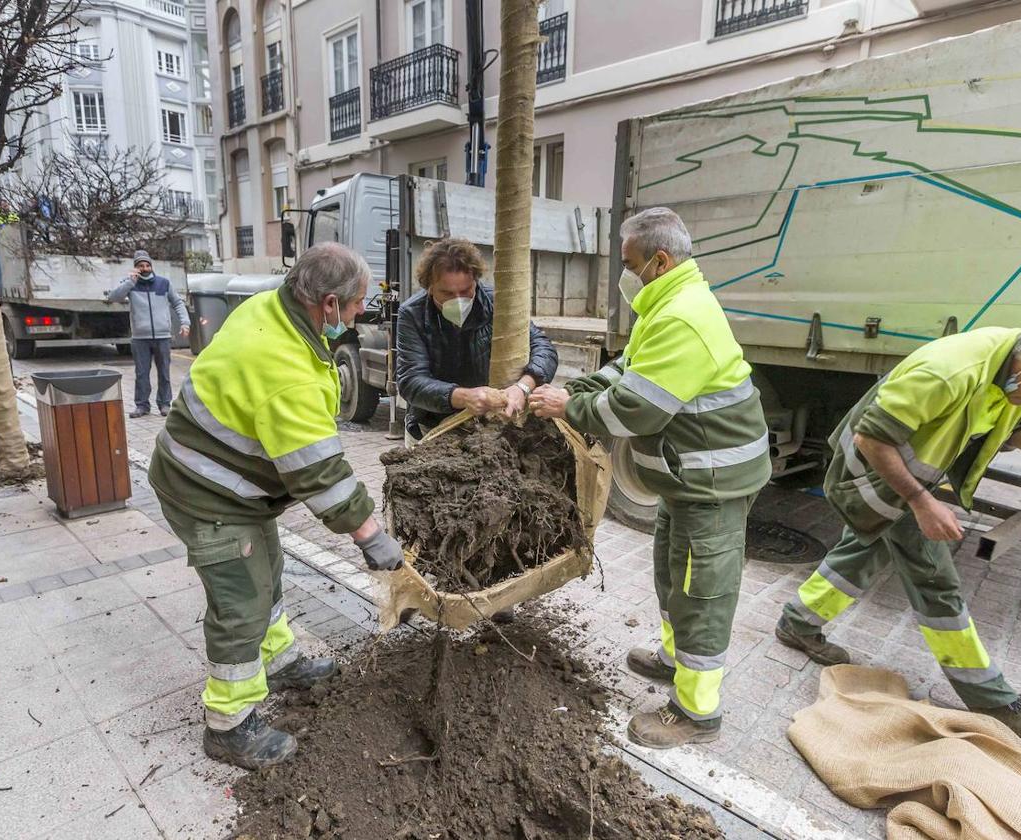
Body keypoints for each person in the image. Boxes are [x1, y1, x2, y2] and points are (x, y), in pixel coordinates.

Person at [149, 242, 404, 770]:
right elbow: (322, 476)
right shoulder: (284, 370)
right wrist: (372, 537)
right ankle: (229, 724)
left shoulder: (273, 308)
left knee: (266, 568)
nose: (361, 314)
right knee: (241, 598)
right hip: (205, 489)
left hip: (224, 482)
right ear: (328, 304)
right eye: (356, 304)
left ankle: (279, 660)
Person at [530, 207, 770, 748]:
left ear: (659, 260)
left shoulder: (683, 316)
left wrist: (570, 406)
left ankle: (696, 710)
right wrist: (575, 388)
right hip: (689, 481)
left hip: (715, 483)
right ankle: (673, 658)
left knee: (702, 589)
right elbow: (624, 371)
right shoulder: (663, 304)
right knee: (671, 568)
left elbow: (635, 411)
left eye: (628, 263)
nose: (624, 273)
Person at [774, 323, 1021, 741]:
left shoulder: (1014, 371)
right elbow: (871, 439)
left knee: (866, 550)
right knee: (934, 580)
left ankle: (797, 623)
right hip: (870, 474)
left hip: (907, 474)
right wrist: (921, 502)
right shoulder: (948, 371)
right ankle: (991, 697)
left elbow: (1020, 427)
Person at [396, 237, 558, 444]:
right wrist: (464, 397)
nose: (458, 300)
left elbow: (544, 349)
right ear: (429, 287)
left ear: (476, 280)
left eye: (465, 291)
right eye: (447, 293)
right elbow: (411, 382)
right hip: (432, 428)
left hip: (492, 430)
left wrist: (522, 387)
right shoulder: (412, 314)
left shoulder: (498, 303)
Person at [108, 250, 191, 418]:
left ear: (151, 266)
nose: (145, 268)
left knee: (164, 373)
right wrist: (130, 282)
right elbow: (113, 297)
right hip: (140, 338)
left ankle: (164, 404)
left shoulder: (163, 283)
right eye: (141, 266)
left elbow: (178, 303)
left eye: (147, 265)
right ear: (136, 268)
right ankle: (142, 405)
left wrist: (185, 322)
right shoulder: (130, 284)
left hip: (162, 337)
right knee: (142, 374)